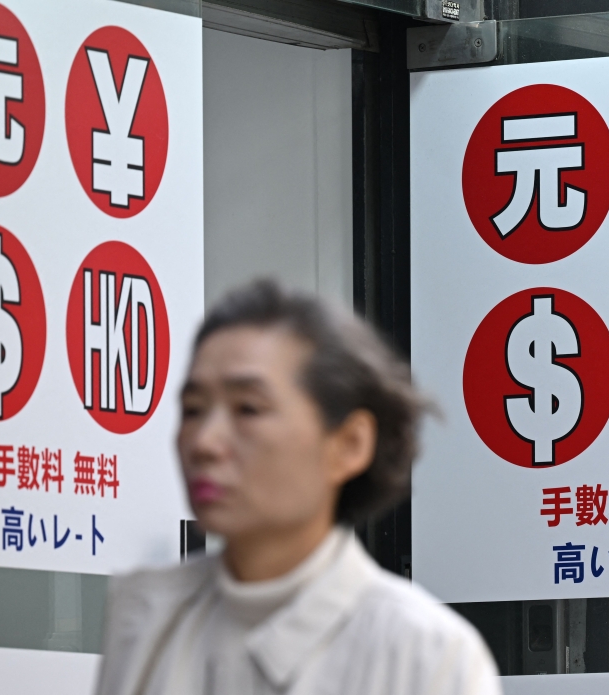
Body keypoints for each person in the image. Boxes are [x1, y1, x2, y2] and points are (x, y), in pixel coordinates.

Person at [97, 280, 500, 695]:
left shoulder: (426, 655)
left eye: (248, 409)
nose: (204, 442)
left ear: (350, 444)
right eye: (193, 410)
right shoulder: (147, 621)